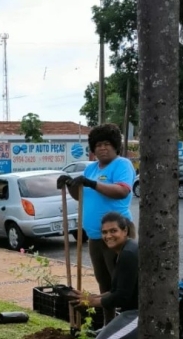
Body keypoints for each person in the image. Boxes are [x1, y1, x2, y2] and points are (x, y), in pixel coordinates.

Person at [57, 124, 136, 323]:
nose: (102, 148)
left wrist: (92, 183)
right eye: (98, 145)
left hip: (117, 235)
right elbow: (80, 196)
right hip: (95, 235)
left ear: (116, 146)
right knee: (104, 283)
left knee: (121, 284)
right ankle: (109, 323)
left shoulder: (122, 164)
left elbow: (122, 190)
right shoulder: (91, 168)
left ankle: (127, 322)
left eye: (107, 144)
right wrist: (71, 184)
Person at [70, 212, 139, 339]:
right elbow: (115, 291)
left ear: (125, 231)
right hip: (131, 311)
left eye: (113, 231)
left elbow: (121, 297)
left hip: (142, 313)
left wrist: (94, 302)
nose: (108, 236)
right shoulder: (123, 252)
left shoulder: (129, 254)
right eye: (104, 232)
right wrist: (90, 297)